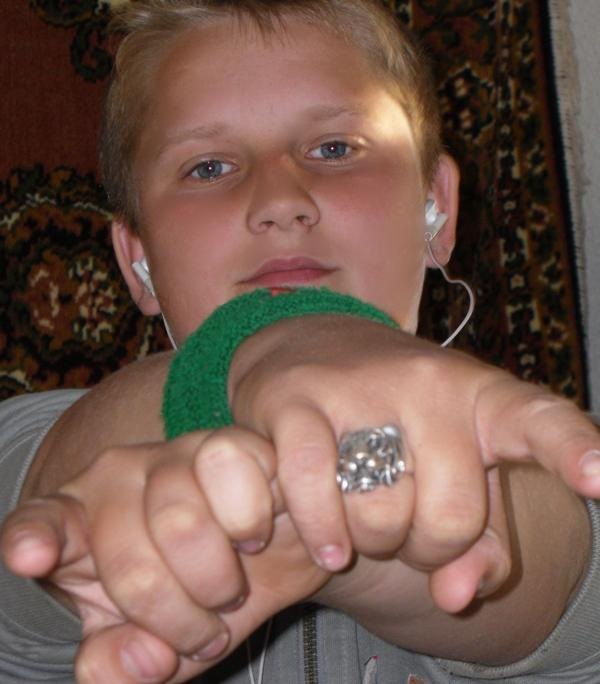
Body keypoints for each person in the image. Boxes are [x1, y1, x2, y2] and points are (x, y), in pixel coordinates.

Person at [1, 1, 600, 682]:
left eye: (334, 149)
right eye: (209, 167)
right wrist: (256, 360)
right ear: (137, 259)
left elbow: (560, 570)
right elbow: (35, 516)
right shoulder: (37, 446)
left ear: (436, 206)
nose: (279, 200)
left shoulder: (567, 466)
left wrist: (358, 510)